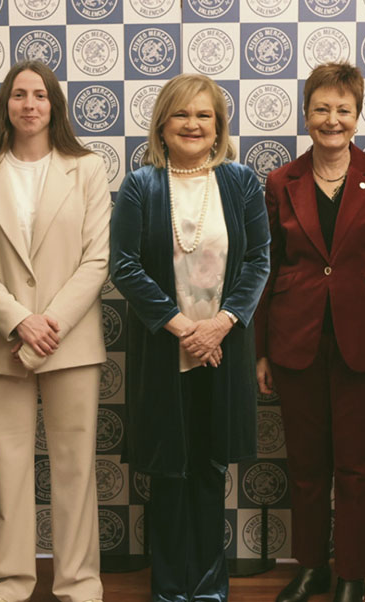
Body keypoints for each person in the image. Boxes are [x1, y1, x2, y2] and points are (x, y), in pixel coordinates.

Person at [254, 62, 365, 602]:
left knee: (357, 467)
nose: (332, 119)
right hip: (295, 340)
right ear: (306, 114)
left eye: (342, 110)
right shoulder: (281, 181)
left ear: (357, 114)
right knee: (305, 466)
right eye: (321, 108)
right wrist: (262, 352)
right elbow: (267, 268)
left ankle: (352, 574)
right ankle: (310, 567)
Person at [110, 73, 270, 602]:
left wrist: (220, 324)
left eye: (204, 115)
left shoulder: (242, 181)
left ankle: (208, 587)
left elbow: (258, 261)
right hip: (164, 349)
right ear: (162, 123)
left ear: (219, 125)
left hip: (224, 347)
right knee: (168, 469)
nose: (192, 124)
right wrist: (181, 327)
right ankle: (169, 588)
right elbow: (125, 266)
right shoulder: (141, 184)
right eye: (181, 114)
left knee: (209, 466)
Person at [0, 60, 109, 602]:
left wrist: (51, 323)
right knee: (8, 467)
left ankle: (79, 583)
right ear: (5, 105)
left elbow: (97, 260)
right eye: (18, 95)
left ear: (53, 105)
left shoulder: (86, 168)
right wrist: (20, 320)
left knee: (75, 468)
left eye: (39, 95)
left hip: (71, 341)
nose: (28, 104)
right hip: (0, 340)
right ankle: (8, 581)